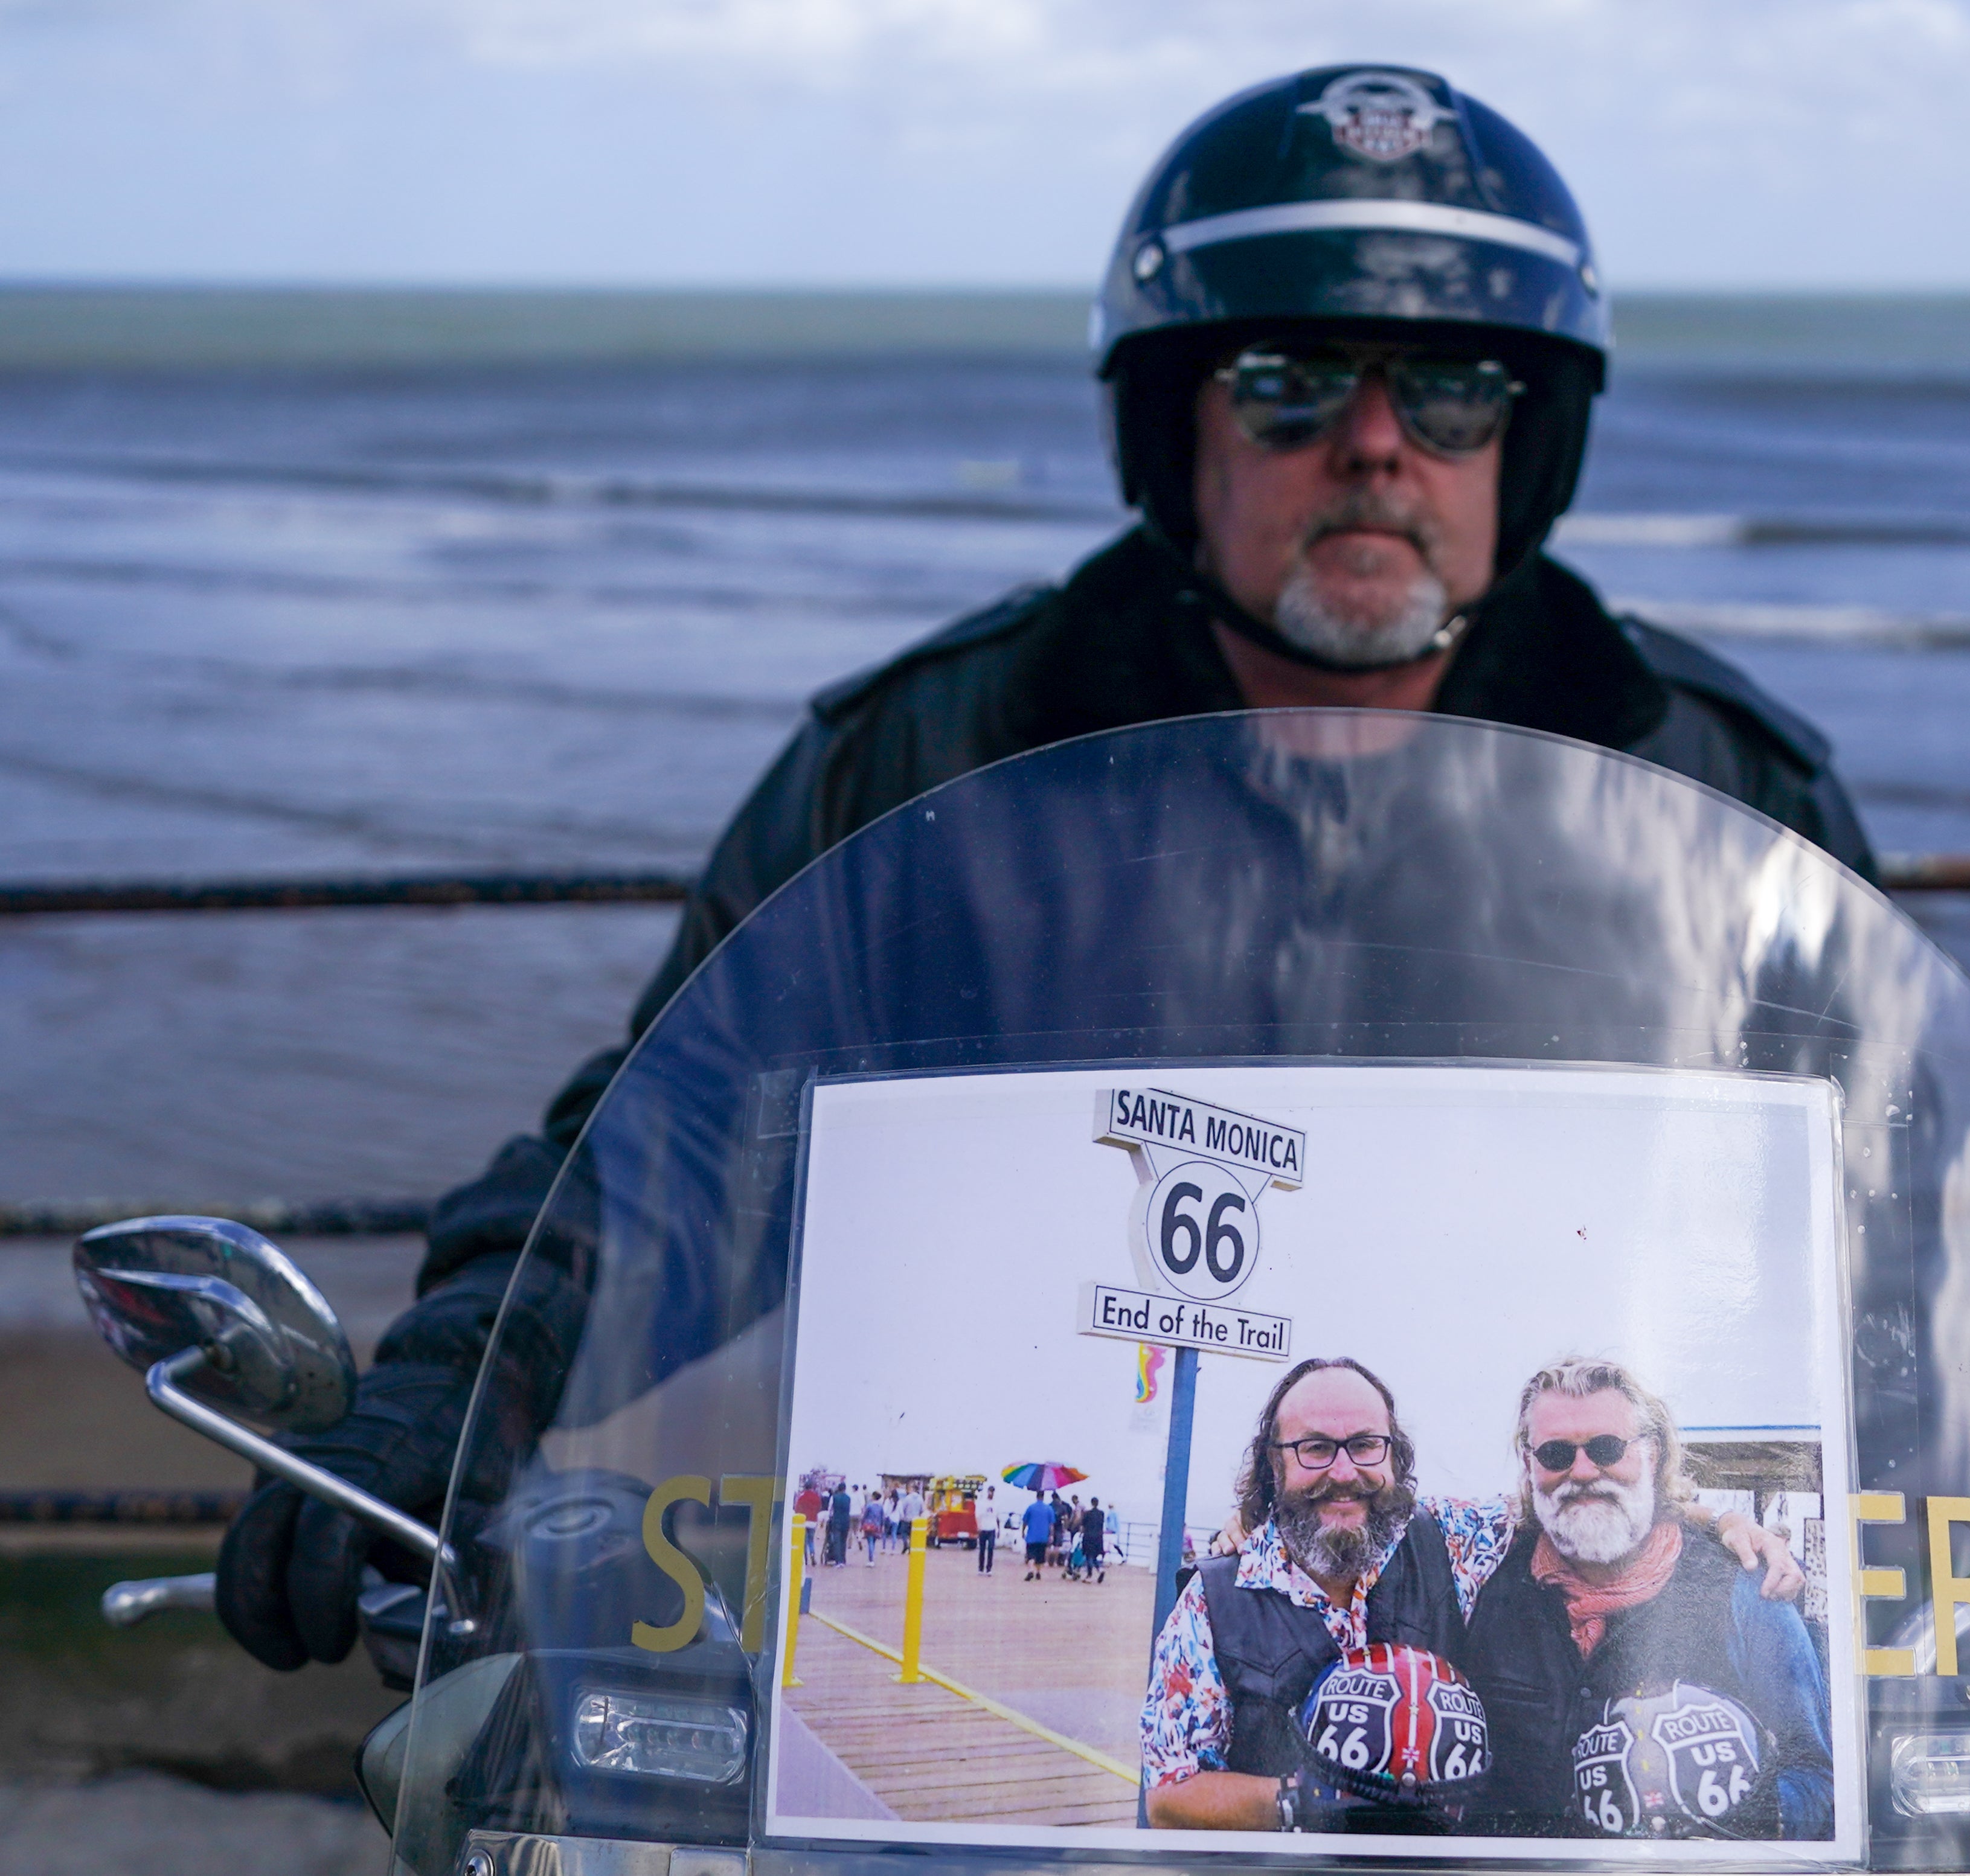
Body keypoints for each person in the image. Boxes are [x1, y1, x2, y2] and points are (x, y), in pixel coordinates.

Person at [212, 61, 1877, 1677]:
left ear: (1532, 442)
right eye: (1289, 380)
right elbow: (680, 1142)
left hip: (1564, 1683)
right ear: (1175, 431)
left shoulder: (1717, 791)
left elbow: (1901, 1224)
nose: (1377, 444)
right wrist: (461, 1385)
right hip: (1045, 1650)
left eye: (1450, 389)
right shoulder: (936, 759)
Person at [1140, 1356, 1799, 1831]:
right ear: (1273, 1462)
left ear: (1394, 1456)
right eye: (1314, 1448)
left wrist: (1725, 1523)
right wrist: (1306, 1799)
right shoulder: (1213, 1598)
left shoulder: (1452, 1539)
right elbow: (1168, 1794)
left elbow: (1586, 1501)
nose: (1344, 1471)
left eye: (1365, 1445)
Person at [1462, 1359, 1833, 1839]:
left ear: (1652, 1454)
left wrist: (1733, 1826)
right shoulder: (1481, 1575)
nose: (1582, 1471)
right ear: (1530, 1463)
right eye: (1555, 1453)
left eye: (1606, 1448)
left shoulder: (1743, 1586)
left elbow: (1815, 1774)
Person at [1022, 1490, 1059, 1582]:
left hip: (1031, 1536)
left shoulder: (1031, 1508)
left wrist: (1022, 1532)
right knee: (1040, 1557)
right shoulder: (1049, 1509)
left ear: (1036, 1496)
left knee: (1030, 1556)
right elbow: (1051, 1525)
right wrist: (1051, 1535)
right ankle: (1038, 1572)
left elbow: (1025, 1521)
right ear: (1043, 1497)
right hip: (1043, 1537)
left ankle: (1031, 1570)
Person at [794, 1479, 824, 1567]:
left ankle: (805, 1559)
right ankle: (812, 1554)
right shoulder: (816, 1497)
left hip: (803, 1521)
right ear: (812, 1487)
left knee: (804, 1541)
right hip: (813, 1521)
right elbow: (819, 1507)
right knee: (811, 1541)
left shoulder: (802, 1496)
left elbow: (797, 1508)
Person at [1080, 1496, 1108, 1584]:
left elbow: (1083, 1525)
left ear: (1092, 1503)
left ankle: (1090, 1575)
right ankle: (1100, 1570)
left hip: (1089, 1537)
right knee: (1095, 1556)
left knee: (1089, 1556)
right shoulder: (1101, 1514)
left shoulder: (1087, 1514)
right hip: (1099, 1537)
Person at [826, 1480, 852, 1569]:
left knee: (837, 1541)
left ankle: (838, 1561)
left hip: (836, 1521)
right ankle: (843, 1560)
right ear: (845, 1489)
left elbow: (830, 1510)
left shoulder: (834, 1497)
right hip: (846, 1521)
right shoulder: (848, 1498)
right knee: (843, 1541)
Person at [977, 1487, 998, 1575]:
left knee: (991, 1548)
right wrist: (979, 1526)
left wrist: (998, 1529)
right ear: (988, 1492)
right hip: (983, 1528)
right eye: (990, 1492)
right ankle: (981, 1568)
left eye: (993, 1492)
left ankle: (989, 1569)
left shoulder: (995, 1504)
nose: (991, 1494)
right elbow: (978, 1515)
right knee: (982, 1549)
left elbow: (997, 1517)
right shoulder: (982, 1503)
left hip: (992, 1528)